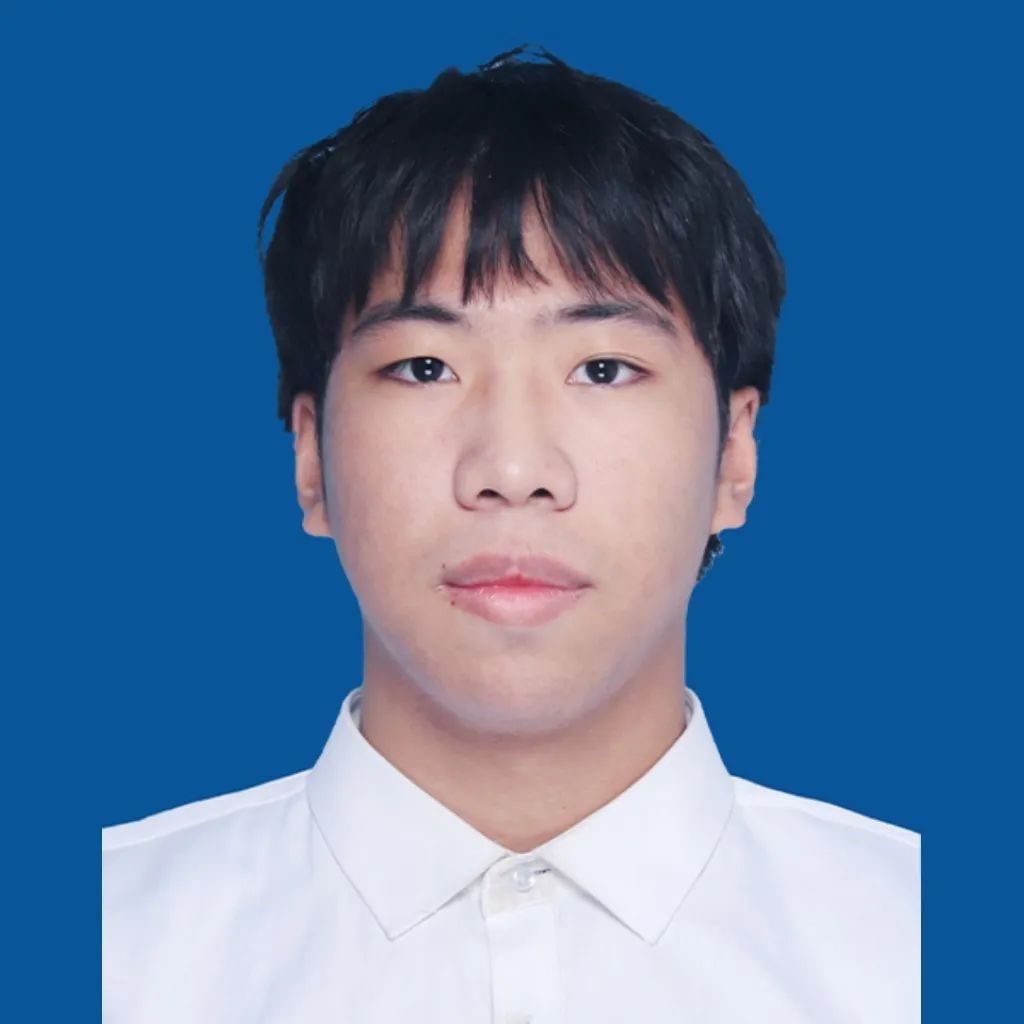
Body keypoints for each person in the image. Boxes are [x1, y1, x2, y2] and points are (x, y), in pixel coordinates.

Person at [101, 43, 920, 1023]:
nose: (513, 467)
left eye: (603, 369)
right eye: (425, 368)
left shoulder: (915, 946)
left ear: (733, 457)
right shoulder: (108, 945)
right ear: (311, 456)